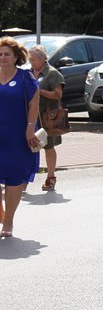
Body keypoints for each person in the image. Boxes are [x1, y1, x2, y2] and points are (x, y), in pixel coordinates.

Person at [0, 37, 42, 238]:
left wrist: (30, 128)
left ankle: (8, 221)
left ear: (16, 57)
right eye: (0, 54)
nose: (2, 57)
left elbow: (34, 104)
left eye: (7, 54)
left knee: (14, 178)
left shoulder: (25, 77)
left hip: (17, 136)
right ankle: (1, 213)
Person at [28, 45, 64, 191]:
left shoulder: (52, 73)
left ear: (43, 58)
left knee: (48, 147)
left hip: (47, 117)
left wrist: (40, 91)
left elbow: (57, 95)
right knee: (28, 147)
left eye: (33, 60)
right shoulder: (29, 72)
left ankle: (51, 177)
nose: (31, 63)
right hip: (30, 116)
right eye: (30, 60)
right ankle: (24, 179)